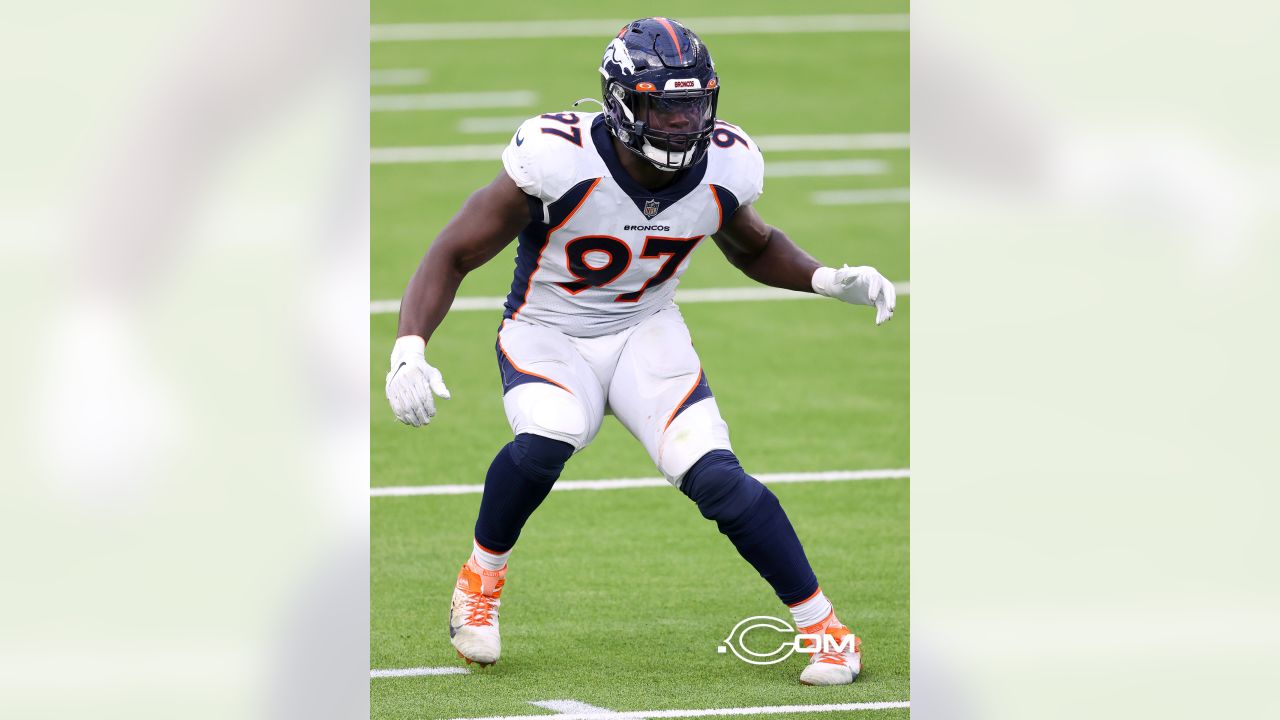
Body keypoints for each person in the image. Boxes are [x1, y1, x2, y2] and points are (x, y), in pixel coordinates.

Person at [384, 17, 894, 686]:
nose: (683, 124)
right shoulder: (558, 156)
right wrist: (408, 349)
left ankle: (824, 628)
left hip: (645, 327)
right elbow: (454, 250)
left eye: (694, 105)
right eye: (664, 106)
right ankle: (481, 578)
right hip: (548, 328)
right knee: (550, 435)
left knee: (713, 475)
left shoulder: (727, 163)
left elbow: (753, 245)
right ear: (623, 102)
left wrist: (824, 278)